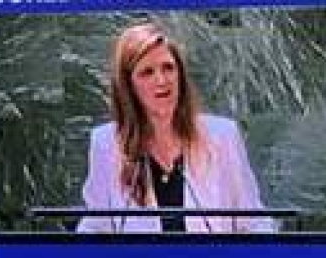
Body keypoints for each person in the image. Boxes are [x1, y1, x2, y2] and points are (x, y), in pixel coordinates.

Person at [78, 21, 275, 234]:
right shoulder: (106, 144)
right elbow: (95, 227)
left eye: (168, 68)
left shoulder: (222, 136)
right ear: (129, 86)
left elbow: (255, 222)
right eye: (147, 72)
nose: (162, 80)